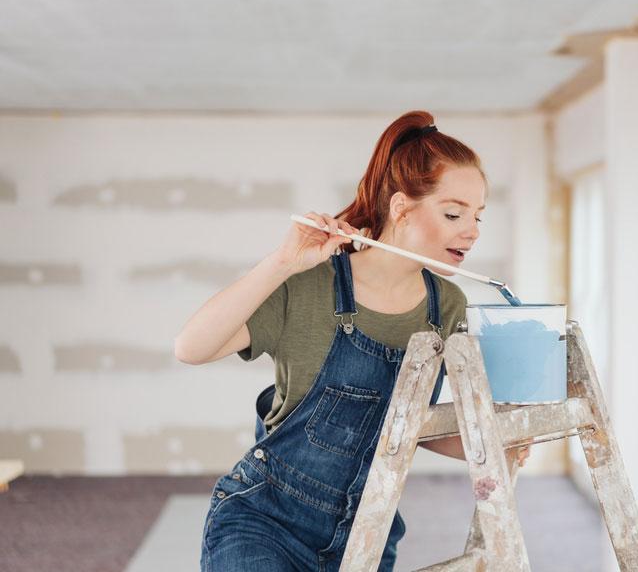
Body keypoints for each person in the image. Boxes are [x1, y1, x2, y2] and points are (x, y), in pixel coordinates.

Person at [174, 110, 529, 571]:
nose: (473, 231)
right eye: (453, 213)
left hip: (368, 534)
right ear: (401, 208)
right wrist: (282, 262)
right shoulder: (309, 285)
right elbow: (190, 348)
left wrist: (492, 441)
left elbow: (407, 424)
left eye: (478, 216)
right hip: (265, 526)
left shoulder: (449, 306)